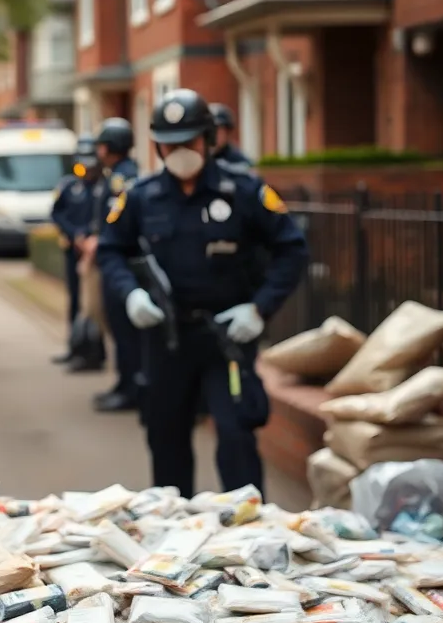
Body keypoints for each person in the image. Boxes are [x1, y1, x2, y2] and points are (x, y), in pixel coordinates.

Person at [96, 89, 308, 499]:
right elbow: (110, 250)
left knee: (234, 435)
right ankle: (176, 537)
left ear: (208, 140)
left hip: (226, 337)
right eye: (169, 144)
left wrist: (260, 309)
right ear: (157, 145)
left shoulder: (243, 191)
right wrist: (131, 295)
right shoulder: (141, 197)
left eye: (188, 142)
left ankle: (246, 537)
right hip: (167, 338)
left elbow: (292, 249)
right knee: (166, 437)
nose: (179, 152)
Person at [87, 118, 142, 413]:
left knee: (125, 330)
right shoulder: (117, 174)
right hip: (115, 259)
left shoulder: (123, 178)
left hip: (122, 263)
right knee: (119, 329)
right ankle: (124, 383)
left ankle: (131, 388)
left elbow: (117, 222)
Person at [50, 137, 100, 371]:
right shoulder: (69, 186)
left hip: (94, 253)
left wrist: (90, 236)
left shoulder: (102, 187)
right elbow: (57, 214)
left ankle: (94, 353)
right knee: (74, 300)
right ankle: (74, 347)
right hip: (73, 251)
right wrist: (74, 235)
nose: (86, 170)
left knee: (93, 304)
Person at [209, 103, 254, 172]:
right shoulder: (199, 158)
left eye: (216, 131)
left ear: (227, 133)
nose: (212, 135)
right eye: (209, 130)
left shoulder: (240, 161)